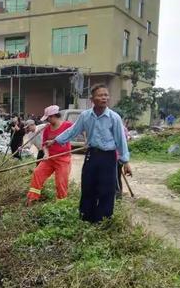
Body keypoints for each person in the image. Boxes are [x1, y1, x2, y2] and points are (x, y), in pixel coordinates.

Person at [45, 84, 132, 223]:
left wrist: (125, 161)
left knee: (106, 189)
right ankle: (86, 218)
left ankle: (103, 220)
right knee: (88, 186)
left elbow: (121, 140)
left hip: (108, 157)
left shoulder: (114, 117)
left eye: (106, 95)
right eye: (100, 95)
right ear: (92, 99)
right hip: (92, 155)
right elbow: (73, 131)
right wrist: (55, 140)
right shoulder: (85, 116)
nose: (104, 98)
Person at [26, 105, 73, 204]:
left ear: (54, 116)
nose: (48, 120)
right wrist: (46, 154)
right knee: (37, 173)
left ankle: (62, 204)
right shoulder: (47, 128)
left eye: (49, 118)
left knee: (61, 182)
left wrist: (87, 141)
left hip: (63, 159)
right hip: (50, 158)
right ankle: (33, 198)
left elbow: (81, 130)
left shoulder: (67, 125)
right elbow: (44, 145)